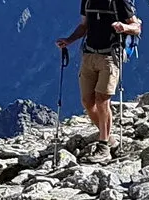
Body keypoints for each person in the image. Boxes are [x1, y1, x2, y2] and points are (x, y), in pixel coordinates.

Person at [57, 0, 142, 162]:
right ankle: (109, 138)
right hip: (89, 54)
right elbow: (84, 26)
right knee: (87, 102)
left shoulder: (120, 2)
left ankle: (103, 146)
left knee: (102, 100)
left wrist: (124, 28)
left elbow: (136, 27)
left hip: (110, 56)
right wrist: (69, 40)